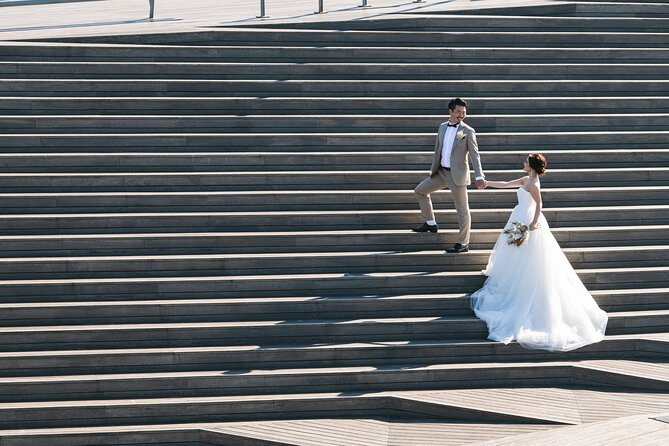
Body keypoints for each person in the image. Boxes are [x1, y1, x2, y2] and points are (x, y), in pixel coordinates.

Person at [471, 153, 608, 351]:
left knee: (528, 255)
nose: (523, 163)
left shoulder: (533, 183)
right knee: (514, 250)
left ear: (532, 166)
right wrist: (487, 183)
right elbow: (505, 183)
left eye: (526, 161)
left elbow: (539, 203)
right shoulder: (525, 179)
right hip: (519, 216)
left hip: (528, 221)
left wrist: (533, 222)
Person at [412, 97, 485, 254]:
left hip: (457, 175)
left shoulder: (468, 131)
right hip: (441, 172)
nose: (461, 115)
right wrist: (433, 169)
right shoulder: (442, 127)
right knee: (420, 191)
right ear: (450, 111)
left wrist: (479, 176)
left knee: (462, 210)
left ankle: (463, 243)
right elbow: (438, 149)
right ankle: (430, 223)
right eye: (458, 112)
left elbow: (475, 155)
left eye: (464, 112)